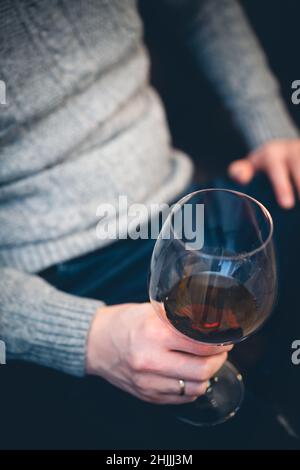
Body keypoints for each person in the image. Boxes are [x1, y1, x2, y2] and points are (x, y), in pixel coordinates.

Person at [0, 0, 299, 449]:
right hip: (59, 268)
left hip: (184, 200)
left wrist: (274, 130)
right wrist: (87, 336)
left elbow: (200, 8)